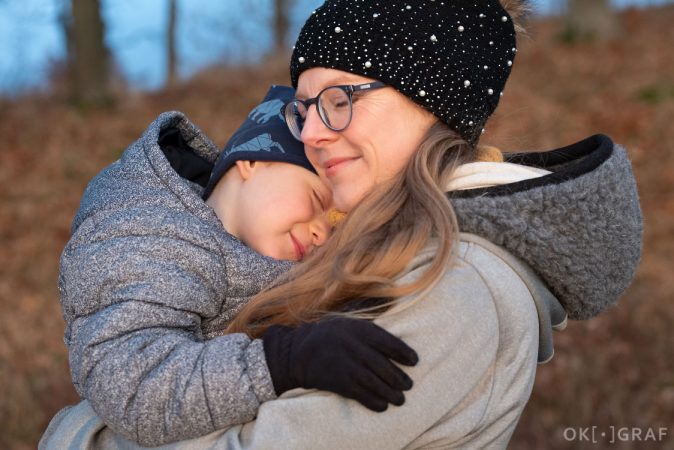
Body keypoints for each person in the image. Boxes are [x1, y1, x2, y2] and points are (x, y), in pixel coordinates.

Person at [41, 0, 643, 448]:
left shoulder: (459, 287)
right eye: (304, 110)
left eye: (338, 99)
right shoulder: (385, 252)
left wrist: (72, 434)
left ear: (426, 97)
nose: (309, 133)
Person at [50, 86, 419, 447]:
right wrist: (282, 362)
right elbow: (131, 382)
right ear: (252, 161)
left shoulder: (251, 254)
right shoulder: (146, 233)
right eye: (316, 198)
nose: (323, 233)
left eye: (335, 227)